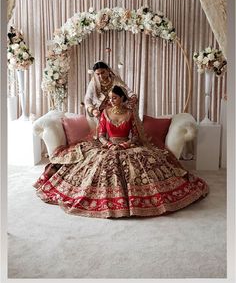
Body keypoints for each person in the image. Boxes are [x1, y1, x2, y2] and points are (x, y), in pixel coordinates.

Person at [33, 85, 209, 219]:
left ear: (122, 98)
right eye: (110, 98)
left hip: (128, 146)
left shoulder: (130, 114)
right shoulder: (105, 113)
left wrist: (125, 145)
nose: (111, 101)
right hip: (107, 146)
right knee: (95, 168)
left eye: (114, 98)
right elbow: (101, 134)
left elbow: (135, 136)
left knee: (143, 166)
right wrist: (108, 145)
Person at [84, 61, 138, 130]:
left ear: (108, 70)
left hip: (115, 111)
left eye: (103, 72)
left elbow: (126, 89)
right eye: (98, 74)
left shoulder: (115, 79)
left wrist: (133, 96)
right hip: (100, 112)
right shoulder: (94, 82)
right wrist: (92, 110)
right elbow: (87, 99)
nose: (100, 76)